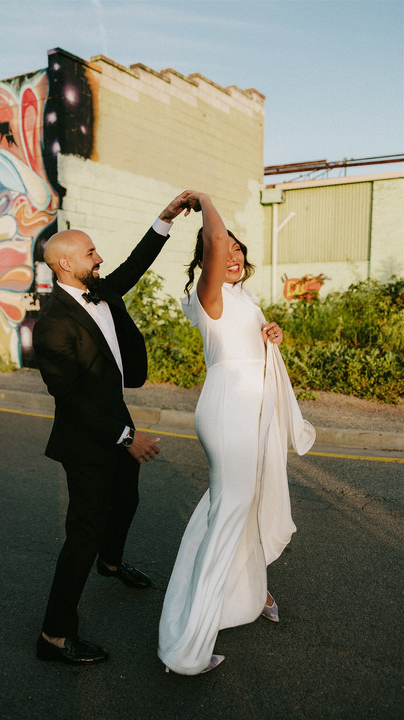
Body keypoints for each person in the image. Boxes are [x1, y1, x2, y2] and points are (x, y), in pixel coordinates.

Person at [33, 190, 193, 666]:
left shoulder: (100, 288)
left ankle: (111, 562)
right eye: (90, 253)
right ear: (66, 265)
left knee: (127, 500)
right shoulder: (52, 324)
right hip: (86, 439)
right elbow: (72, 400)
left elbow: (136, 264)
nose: (99, 258)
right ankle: (54, 636)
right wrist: (127, 438)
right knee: (84, 532)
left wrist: (165, 218)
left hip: (116, 419)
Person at [158, 192, 315, 675]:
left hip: (251, 411)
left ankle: (248, 594)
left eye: (239, 249)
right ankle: (188, 647)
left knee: (236, 506)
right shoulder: (211, 296)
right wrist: (203, 200)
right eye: (225, 250)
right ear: (208, 259)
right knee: (229, 514)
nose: (233, 255)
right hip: (229, 411)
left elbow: (251, 349)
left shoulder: (244, 298)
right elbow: (215, 239)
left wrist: (272, 338)